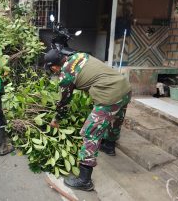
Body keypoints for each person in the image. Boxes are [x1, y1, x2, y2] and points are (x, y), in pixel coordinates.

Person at [44, 49, 132, 191]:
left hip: (109, 95)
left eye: (51, 69)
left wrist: (56, 120)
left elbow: (64, 103)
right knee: (116, 119)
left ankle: (84, 180)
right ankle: (109, 146)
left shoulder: (65, 75)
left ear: (54, 67)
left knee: (90, 133)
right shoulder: (80, 55)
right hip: (125, 88)